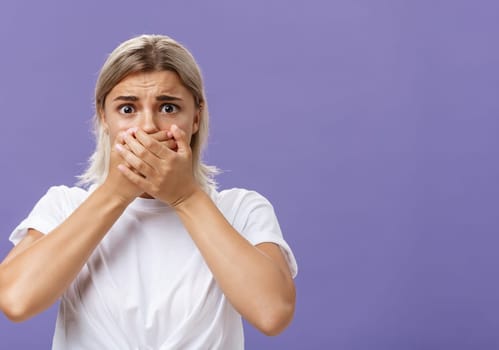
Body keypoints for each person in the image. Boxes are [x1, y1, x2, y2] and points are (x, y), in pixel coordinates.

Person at [0, 34, 298, 349]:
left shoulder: (241, 209)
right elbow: (16, 301)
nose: (148, 127)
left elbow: (273, 314)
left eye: (168, 107)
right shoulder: (64, 206)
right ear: (104, 117)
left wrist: (186, 197)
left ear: (195, 117)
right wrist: (115, 193)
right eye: (127, 109)